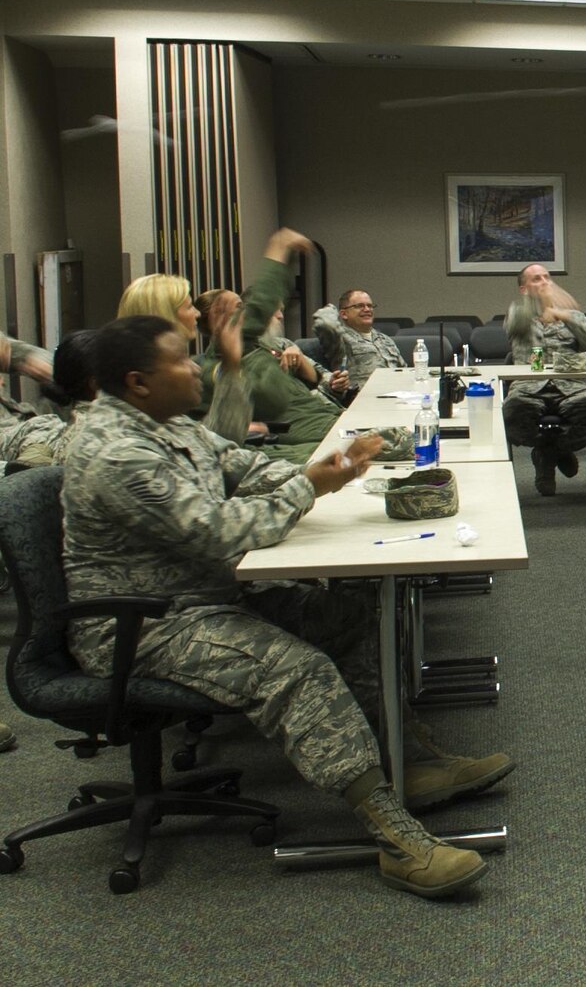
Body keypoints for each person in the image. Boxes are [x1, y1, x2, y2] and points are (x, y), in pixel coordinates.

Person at [61, 316, 512, 897]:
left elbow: (247, 467)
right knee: (294, 668)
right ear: (137, 381)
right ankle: (394, 835)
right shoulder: (118, 454)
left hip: (208, 598)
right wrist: (311, 488)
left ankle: (405, 761)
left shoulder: (167, 425)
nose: (194, 367)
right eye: (180, 359)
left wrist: (332, 470)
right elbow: (222, 531)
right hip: (146, 624)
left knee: (353, 612)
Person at [191, 230, 350, 465]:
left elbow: (321, 384)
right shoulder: (215, 367)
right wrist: (278, 251)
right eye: (238, 308)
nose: (246, 313)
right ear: (217, 318)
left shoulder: (262, 348)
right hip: (313, 440)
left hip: (334, 421)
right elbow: (272, 401)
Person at [505, 263, 586, 496]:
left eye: (547, 277)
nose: (544, 282)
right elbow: (517, 324)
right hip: (528, 388)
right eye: (536, 279)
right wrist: (541, 306)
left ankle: (548, 454)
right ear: (524, 289)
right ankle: (555, 451)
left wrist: (566, 317)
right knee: (512, 418)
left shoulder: (572, 316)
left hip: (571, 387)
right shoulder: (517, 313)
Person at [116, 271, 253, 443]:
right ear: (166, 314)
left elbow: (211, 446)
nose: (197, 314)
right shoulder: (155, 376)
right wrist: (231, 366)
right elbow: (217, 442)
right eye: (189, 307)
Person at [0, 330, 99, 468]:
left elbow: (13, 350)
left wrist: (31, 359)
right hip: (10, 432)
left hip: (20, 419)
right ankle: (32, 462)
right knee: (47, 424)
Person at [312, 289, 405, 397]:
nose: (367, 309)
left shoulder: (385, 339)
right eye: (359, 306)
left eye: (370, 306)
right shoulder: (340, 339)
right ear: (343, 314)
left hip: (398, 396)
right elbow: (324, 323)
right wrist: (332, 308)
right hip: (363, 399)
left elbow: (404, 370)